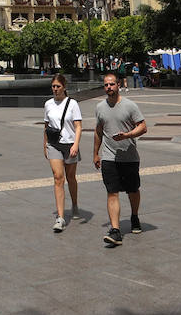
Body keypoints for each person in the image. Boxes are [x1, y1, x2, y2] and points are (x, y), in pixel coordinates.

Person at [93, 72, 147, 246]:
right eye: (106, 85)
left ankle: (134, 216)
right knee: (112, 192)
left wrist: (127, 135)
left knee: (133, 190)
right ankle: (115, 230)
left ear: (118, 85)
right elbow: (98, 131)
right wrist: (96, 153)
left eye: (112, 84)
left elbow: (143, 127)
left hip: (129, 156)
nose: (109, 87)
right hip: (109, 156)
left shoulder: (130, 106)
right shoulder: (100, 107)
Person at [43, 73, 83, 232]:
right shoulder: (48, 104)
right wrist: (44, 144)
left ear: (64, 87)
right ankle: (60, 217)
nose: (55, 89)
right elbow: (46, 126)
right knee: (58, 177)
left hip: (70, 144)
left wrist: (75, 144)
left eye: (58, 86)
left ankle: (74, 204)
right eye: (53, 86)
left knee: (71, 178)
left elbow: (78, 126)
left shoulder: (72, 104)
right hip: (54, 144)